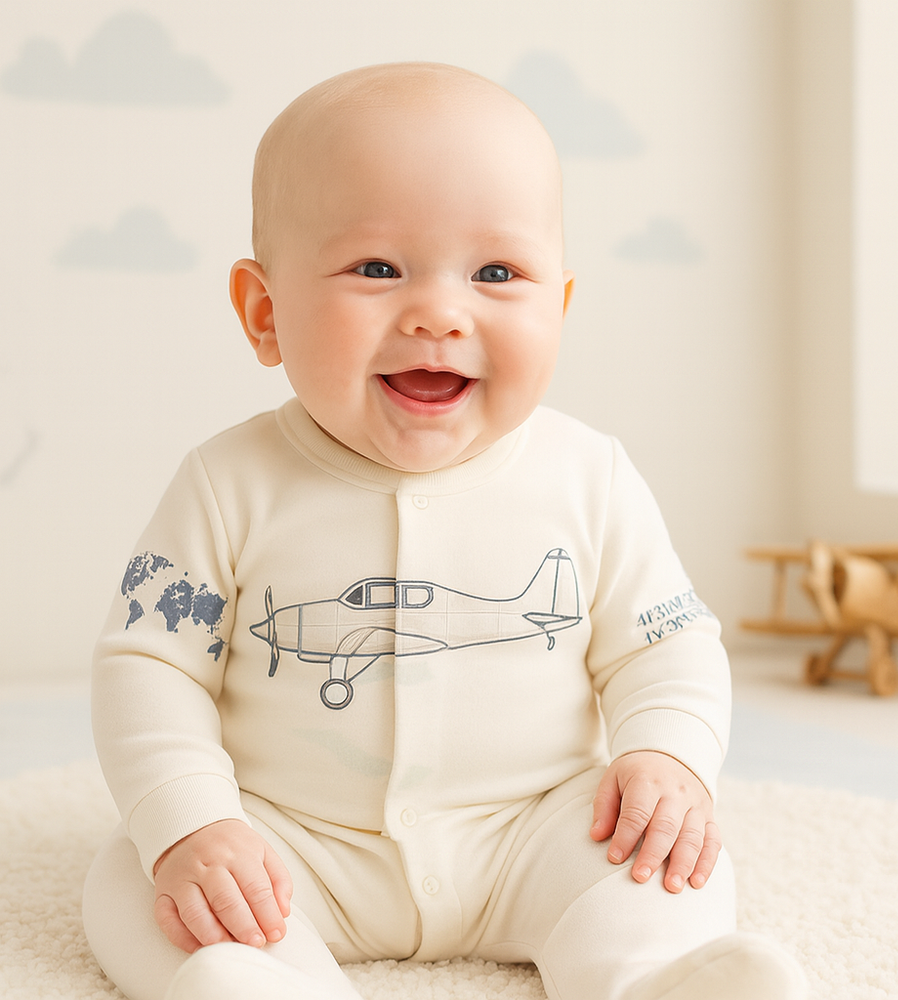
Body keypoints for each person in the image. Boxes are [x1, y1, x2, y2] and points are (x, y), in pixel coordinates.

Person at [81, 61, 806, 1000]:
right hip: (293, 843)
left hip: (537, 832)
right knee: (137, 883)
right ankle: (272, 984)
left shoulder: (589, 476)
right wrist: (191, 822)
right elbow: (149, 665)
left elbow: (665, 646)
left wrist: (666, 757)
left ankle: (651, 979)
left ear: (558, 308)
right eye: (377, 269)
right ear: (266, 313)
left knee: (666, 864)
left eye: (496, 273)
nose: (438, 313)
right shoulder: (226, 483)